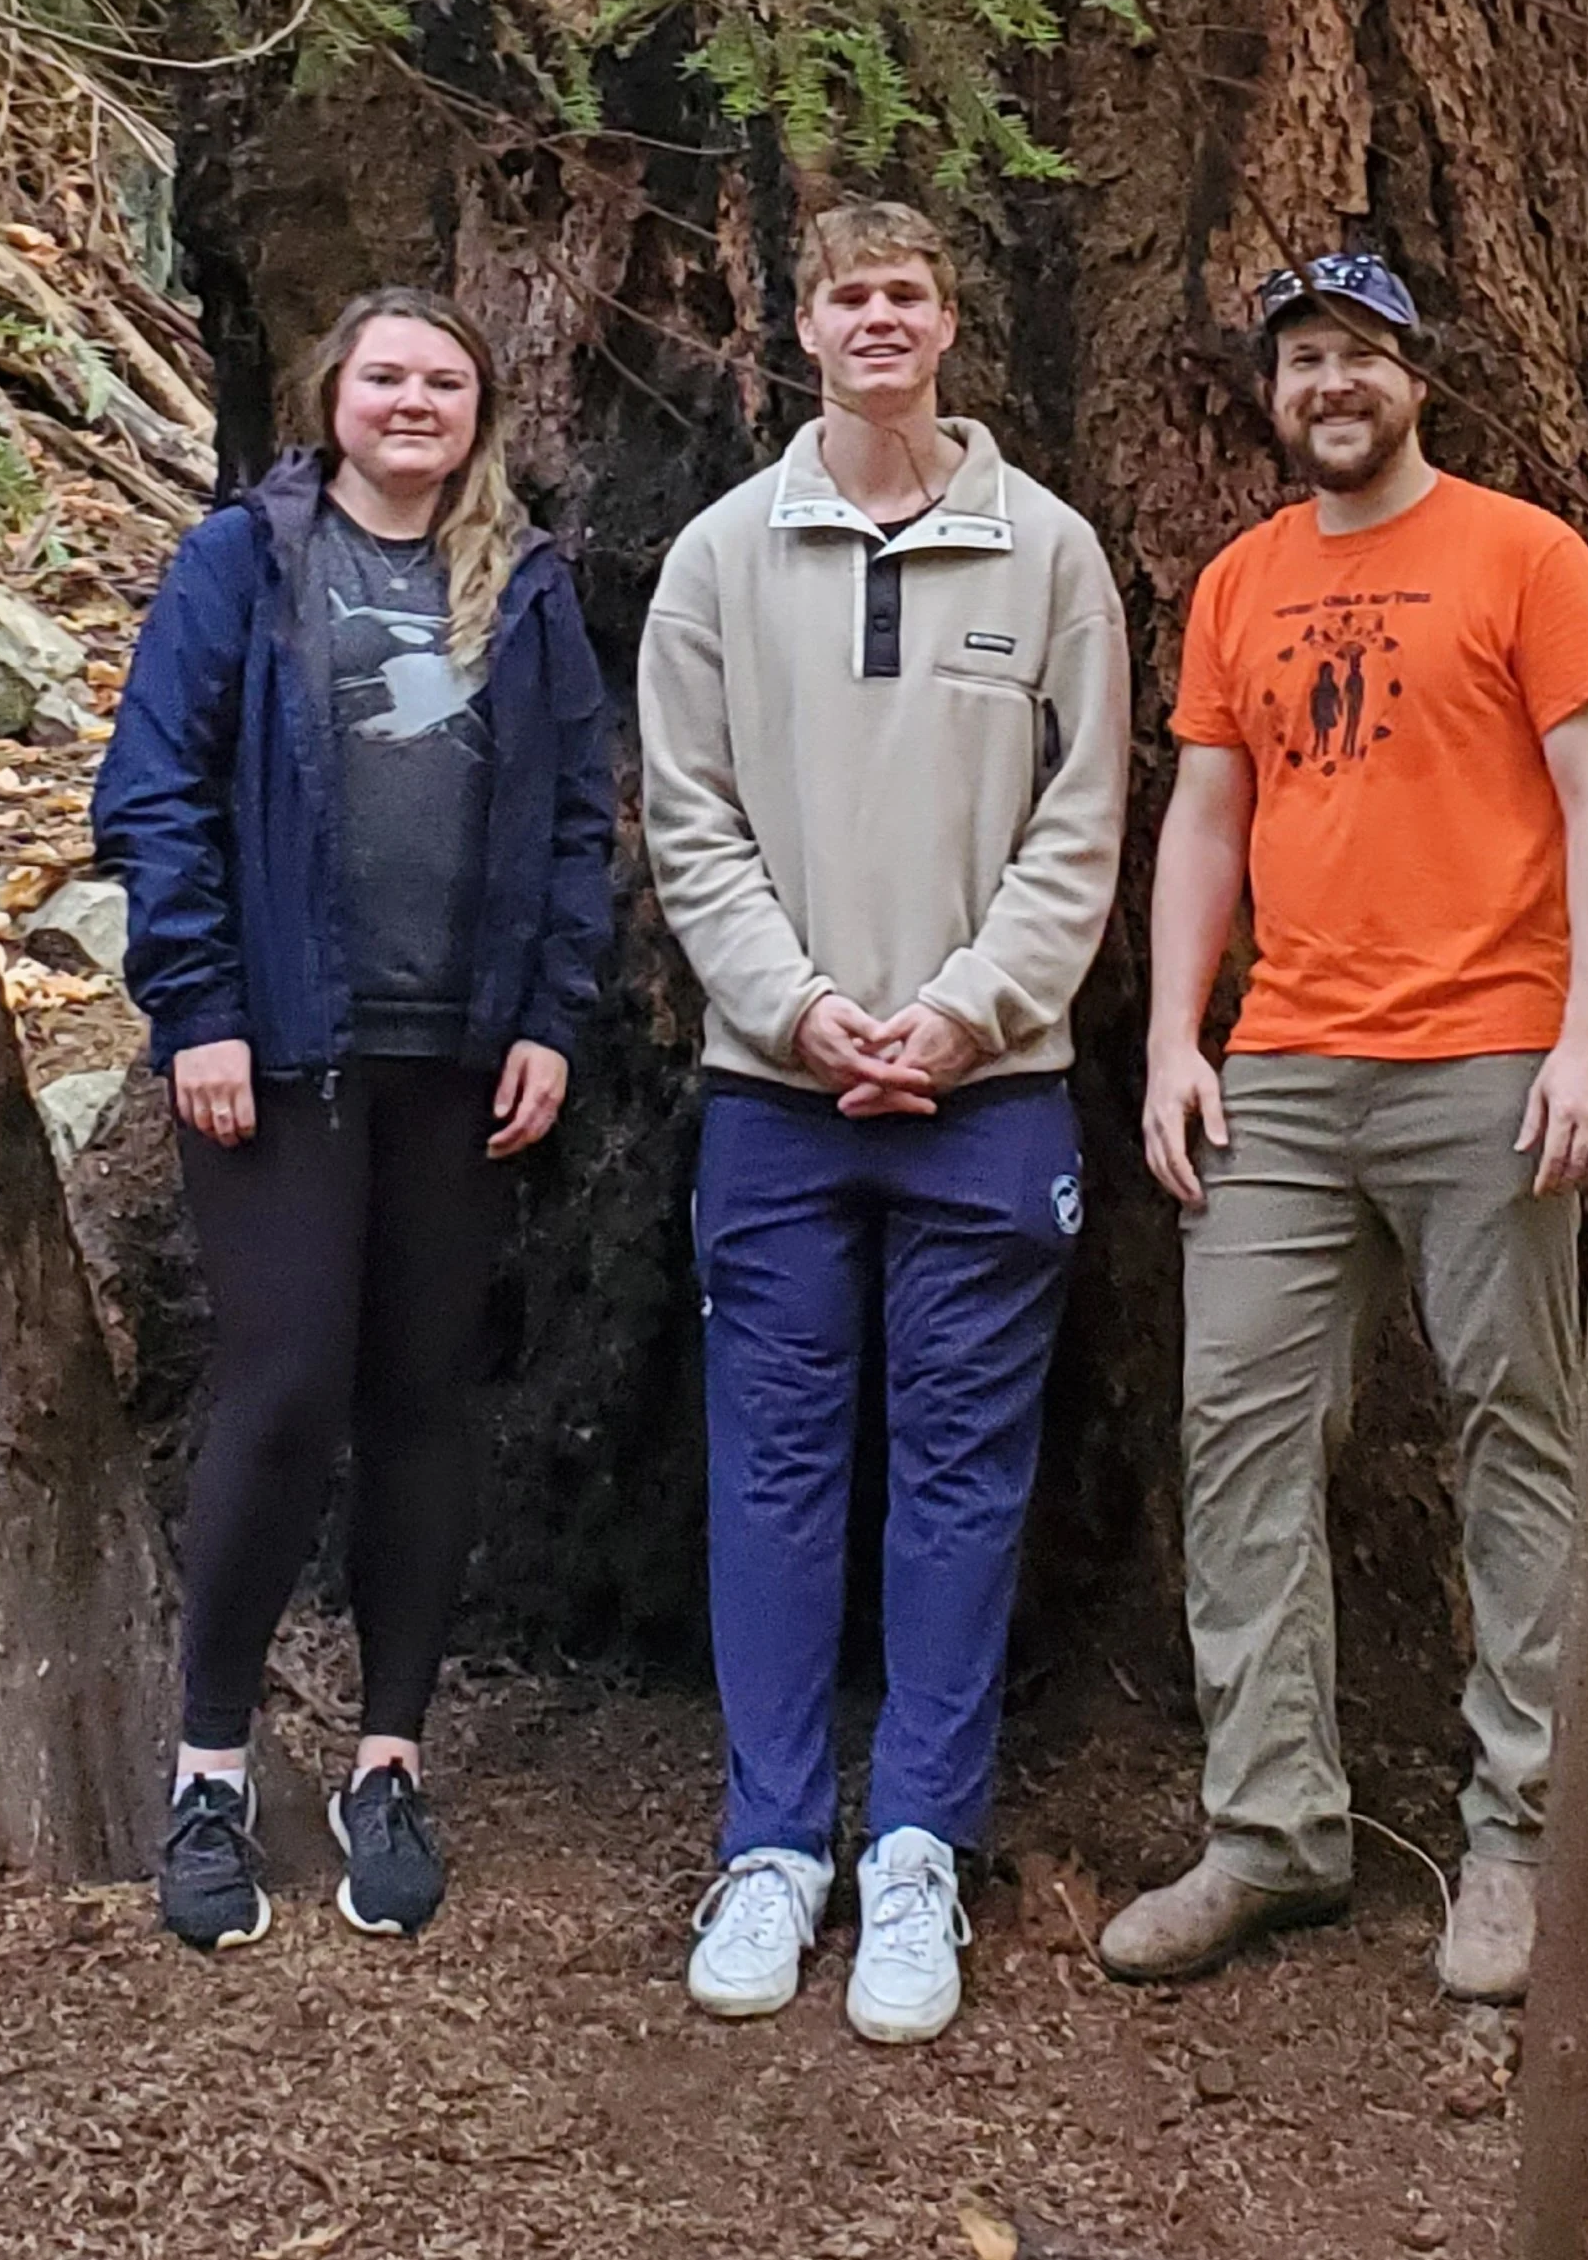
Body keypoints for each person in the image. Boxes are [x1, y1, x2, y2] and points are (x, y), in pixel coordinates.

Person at [1099, 251, 1588, 2012]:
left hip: (1490, 1059)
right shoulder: (1242, 583)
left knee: (1519, 1431)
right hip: (1288, 1068)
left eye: (1362, 356)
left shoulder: (1524, 554)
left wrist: (1586, 1036)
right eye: (1302, 359)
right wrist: (1180, 1035)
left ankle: (1518, 1836)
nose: (1331, 384)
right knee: (1235, 1429)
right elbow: (1205, 812)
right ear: (1273, 392)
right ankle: (1270, 1831)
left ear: (1420, 378)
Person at [639, 195, 1129, 2048]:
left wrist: (961, 1011)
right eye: (849, 294)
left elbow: (1085, 822)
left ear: (949, 322)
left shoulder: (1052, 557)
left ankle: (918, 1839)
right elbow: (689, 817)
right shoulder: (719, 557)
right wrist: (804, 1009)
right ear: (805, 320)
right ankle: (773, 1846)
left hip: (986, 1100)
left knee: (959, 1478)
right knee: (770, 1473)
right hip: (777, 1097)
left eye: (909, 293)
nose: (879, 322)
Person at [96, 286, 615, 1953]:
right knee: (288, 1379)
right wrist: (199, 1007)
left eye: (444, 381)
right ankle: (209, 1769)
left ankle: (389, 1757)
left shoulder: (524, 589)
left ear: (481, 410)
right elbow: (157, 792)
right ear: (333, 396)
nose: (414, 402)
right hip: (282, 1048)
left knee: (420, 1397)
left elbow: (577, 822)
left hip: (459, 1057)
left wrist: (550, 1016)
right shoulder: (243, 563)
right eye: (385, 376)